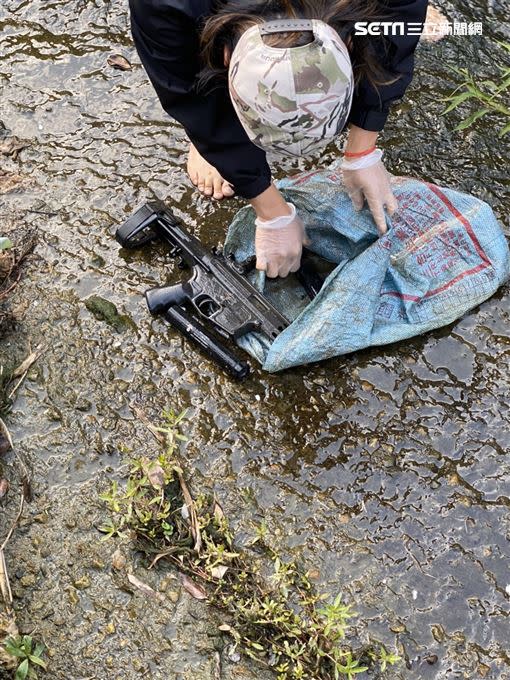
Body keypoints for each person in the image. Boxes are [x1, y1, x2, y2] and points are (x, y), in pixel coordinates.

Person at [128, 0, 428, 278]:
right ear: (226, 56)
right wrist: (270, 210)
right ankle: (208, 139)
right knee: (201, 104)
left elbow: (399, 25)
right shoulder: (163, 7)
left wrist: (363, 143)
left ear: (350, 41)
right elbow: (183, 88)